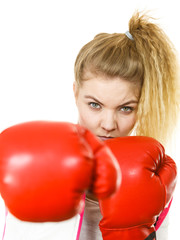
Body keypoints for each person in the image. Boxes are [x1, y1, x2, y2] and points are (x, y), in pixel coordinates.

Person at [0, 10, 179, 240]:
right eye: (95, 105)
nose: (108, 124)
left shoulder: (155, 178)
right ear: (76, 93)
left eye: (126, 108)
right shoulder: (35, 163)